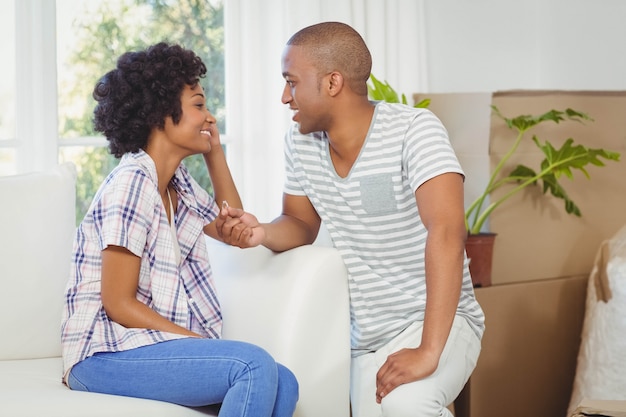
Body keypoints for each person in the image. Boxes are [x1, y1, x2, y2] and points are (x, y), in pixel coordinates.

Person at [217, 22, 485, 417]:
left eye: (291, 82)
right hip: (363, 341)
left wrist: (429, 350)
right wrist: (261, 233)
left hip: (436, 322)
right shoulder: (301, 143)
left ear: (332, 82)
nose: (284, 97)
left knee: (407, 405)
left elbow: (447, 232)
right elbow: (300, 223)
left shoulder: (414, 130)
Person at [60, 42, 298, 417]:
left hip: (145, 345)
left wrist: (214, 152)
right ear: (160, 114)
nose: (210, 117)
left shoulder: (178, 184)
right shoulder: (132, 182)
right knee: (252, 365)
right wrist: (196, 341)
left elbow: (232, 224)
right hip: (104, 353)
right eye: (199, 105)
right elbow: (117, 303)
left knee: (285, 380)